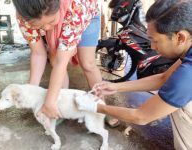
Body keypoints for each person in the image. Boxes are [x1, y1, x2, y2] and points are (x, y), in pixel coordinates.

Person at [75, 0, 192, 149]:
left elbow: (142, 116)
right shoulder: (188, 47)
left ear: (180, 37)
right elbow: (163, 78)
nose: (152, 47)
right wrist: (115, 87)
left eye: (155, 40)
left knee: (180, 105)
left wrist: (95, 107)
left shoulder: (187, 74)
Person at [12, 0, 102, 119]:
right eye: (38, 25)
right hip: (64, 18)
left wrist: (49, 101)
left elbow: (61, 62)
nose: (47, 28)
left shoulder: (76, 8)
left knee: (87, 63)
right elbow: (38, 54)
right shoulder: (24, 17)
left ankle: (102, 106)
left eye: (51, 21)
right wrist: (30, 91)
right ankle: (59, 104)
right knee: (54, 60)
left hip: (86, 17)